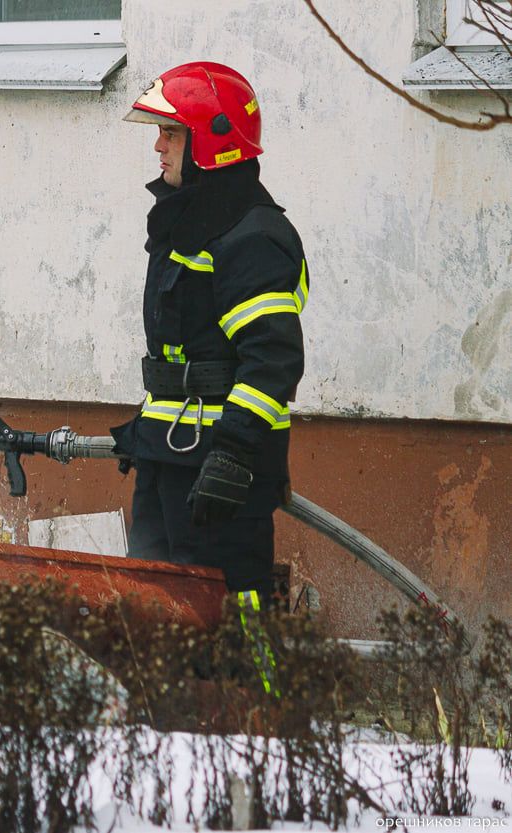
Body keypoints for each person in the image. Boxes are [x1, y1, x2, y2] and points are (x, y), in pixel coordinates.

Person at [111, 62, 309, 609]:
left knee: (231, 621)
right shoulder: (187, 220)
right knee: (159, 619)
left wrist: (234, 457)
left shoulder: (254, 237)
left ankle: (260, 698)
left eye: (171, 132)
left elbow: (271, 363)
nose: (158, 146)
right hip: (169, 457)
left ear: (211, 142)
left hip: (222, 473)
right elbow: (184, 349)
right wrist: (147, 431)